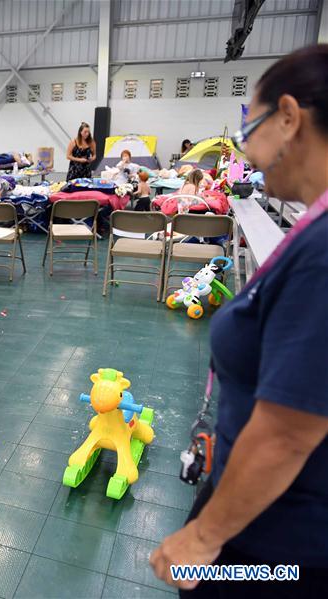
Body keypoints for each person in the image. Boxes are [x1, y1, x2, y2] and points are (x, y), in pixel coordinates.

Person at [150, 44, 328, 596]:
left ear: (290, 118)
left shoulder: (322, 254)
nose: (245, 147)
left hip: (274, 549)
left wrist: (204, 538)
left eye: (249, 124)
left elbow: (287, 433)